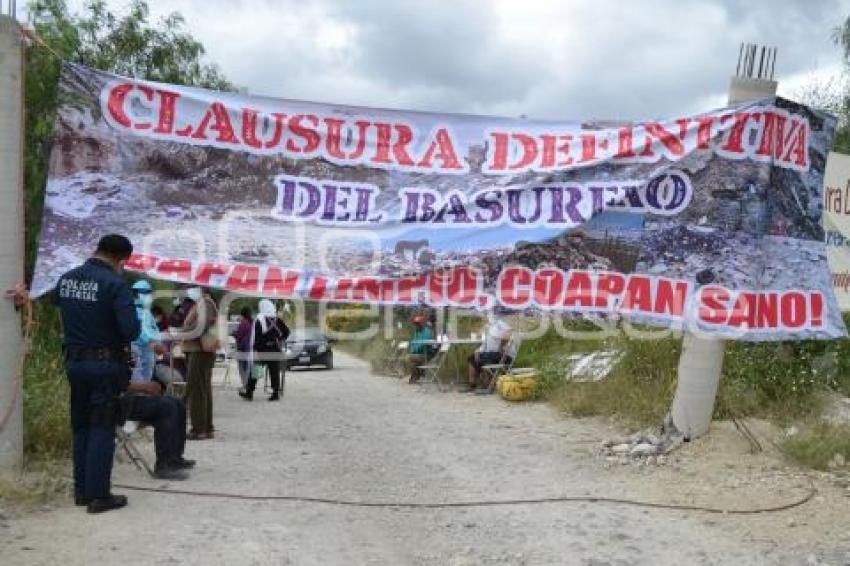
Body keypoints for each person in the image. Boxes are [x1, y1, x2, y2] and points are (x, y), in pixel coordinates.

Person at [52, 235, 140, 513]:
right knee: (102, 426)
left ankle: (81, 491)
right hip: (104, 365)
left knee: (81, 426)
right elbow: (130, 331)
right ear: (121, 259)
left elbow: (60, 307)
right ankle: (99, 495)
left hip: (74, 363)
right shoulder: (115, 284)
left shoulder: (66, 279)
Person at [169, 287, 218, 439]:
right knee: (202, 389)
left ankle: (199, 429)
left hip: (199, 351)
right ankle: (205, 427)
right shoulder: (203, 303)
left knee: (196, 390)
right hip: (198, 350)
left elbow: (201, 326)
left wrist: (181, 331)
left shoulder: (206, 303)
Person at [241, 299, 289, 401]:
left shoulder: (259, 319)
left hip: (262, 350)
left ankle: (249, 393)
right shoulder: (277, 319)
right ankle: (275, 394)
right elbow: (287, 332)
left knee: (256, 371)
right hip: (275, 350)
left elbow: (256, 337)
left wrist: (255, 349)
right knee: (274, 372)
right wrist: (279, 340)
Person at [466, 317, 514, 392]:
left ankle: (488, 383)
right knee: (472, 358)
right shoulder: (490, 329)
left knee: (487, 357)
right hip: (492, 355)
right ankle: (472, 384)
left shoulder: (503, 325)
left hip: (504, 356)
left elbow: (508, 335)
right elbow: (484, 345)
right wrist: (478, 351)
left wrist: (502, 345)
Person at [406, 314, 434, 384]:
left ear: (422, 324)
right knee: (411, 359)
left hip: (426, 354)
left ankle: (416, 375)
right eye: (415, 324)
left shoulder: (427, 332)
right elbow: (413, 343)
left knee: (409, 358)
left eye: (418, 324)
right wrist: (412, 350)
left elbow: (422, 344)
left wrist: (414, 350)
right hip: (418, 354)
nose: (416, 325)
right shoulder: (417, 332)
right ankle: (416, 375)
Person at [233, 306, 254, 395]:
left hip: (242, 349)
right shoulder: (252, 322)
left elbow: (240, 336)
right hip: (251, 349)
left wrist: (235, 334)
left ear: (242, 314)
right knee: (249, 368)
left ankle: (245, 385)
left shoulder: (243, 323)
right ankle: (249, 385)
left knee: (242, 369)